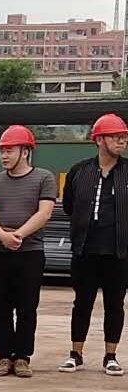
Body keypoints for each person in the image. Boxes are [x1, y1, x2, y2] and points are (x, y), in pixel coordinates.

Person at [0, 126, 56, 379]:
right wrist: (3, 236)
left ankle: (23, 356)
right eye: (2, 151)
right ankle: (4, 355)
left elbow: (44, 213)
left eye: (9, 151)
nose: (4, 156)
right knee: (0, 307)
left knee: (27, 307)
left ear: (25, 152)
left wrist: (19, 235)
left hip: (30, 252)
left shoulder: (44, 178)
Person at [58, 114, 128, 376]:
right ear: (99, 140)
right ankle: (76, 354)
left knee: (115, 303)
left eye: (124, 136)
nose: (121, 141)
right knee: (82, 302)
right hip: (85, 249)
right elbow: (69, 206)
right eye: (115, 136)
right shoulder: (79, 171)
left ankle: (111, 356)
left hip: (119, 251)